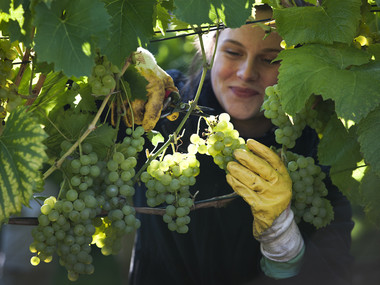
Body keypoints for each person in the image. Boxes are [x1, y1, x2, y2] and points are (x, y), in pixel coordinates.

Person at [127, 4, 354, 285]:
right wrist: (122, 74)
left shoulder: (322, 158)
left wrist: (284, 244)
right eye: (233, 52)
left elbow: (332, 273)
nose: (246, 73)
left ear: (301, 70)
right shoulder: (158, 108)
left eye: (270, 59)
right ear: (210, 50)